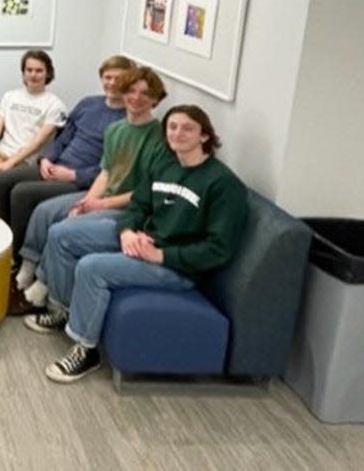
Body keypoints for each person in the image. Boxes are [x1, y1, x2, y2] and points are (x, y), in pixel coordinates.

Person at [24, 106, 248, 383]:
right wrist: (127, 230)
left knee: (92, 267)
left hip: (177, 266)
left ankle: (86, 349)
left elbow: (219, 249)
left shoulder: (223, 183)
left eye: (188, 128)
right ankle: (66, 312)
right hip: (142, 240)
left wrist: (161, 255)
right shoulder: (165, 165)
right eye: (172, 126)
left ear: (204, 136)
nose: (178, 133)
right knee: (61, 234)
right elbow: (139, 205)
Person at [14, 66, 170, 311]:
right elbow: (106, 173)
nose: (136, 98)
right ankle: (27, 270)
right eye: (131, 91)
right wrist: (87, 201)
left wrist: (100, 205)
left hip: (129, 207)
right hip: (103, 196)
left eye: (145, 93)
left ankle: (46, 287)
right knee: (45, 211)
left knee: (62, 228)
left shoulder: (159, 137)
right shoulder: (115, 130)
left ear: (155, 99)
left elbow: (146, 192)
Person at [0, 54, 133, 251]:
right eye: (108, 77)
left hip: (79, 180)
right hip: (54, 166)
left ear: (130, 80)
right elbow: (63, 137)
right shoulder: (88, 104)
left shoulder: (128, 120)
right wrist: (46, 159)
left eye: (119, 78)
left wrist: (74, 175)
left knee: (21, 193)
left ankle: (15, 253)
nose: (112, 83)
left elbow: (113, 169)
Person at [0, 50, 66, 210]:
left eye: (39, 70)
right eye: (29, 70)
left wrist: (10, 163)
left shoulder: (55, 105)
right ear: (23, 73)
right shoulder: (10, 96)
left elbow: (38, 142)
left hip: (24, 160)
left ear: (48, 73)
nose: (33, 75)